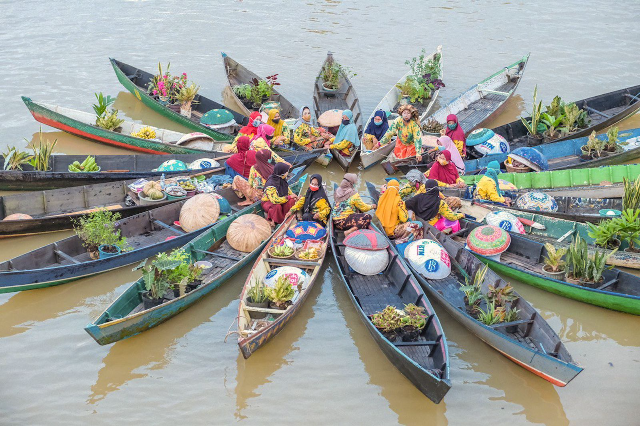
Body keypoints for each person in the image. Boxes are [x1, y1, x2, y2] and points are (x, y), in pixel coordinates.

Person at [375, 180, 423, 244]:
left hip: (383, 229)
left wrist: (383, 191)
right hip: (393, 232)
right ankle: (403, 239)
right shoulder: (399, 201)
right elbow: (404, 219)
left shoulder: (381, 199)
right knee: (418, 224)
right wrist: (405, 212)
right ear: (397, 189)